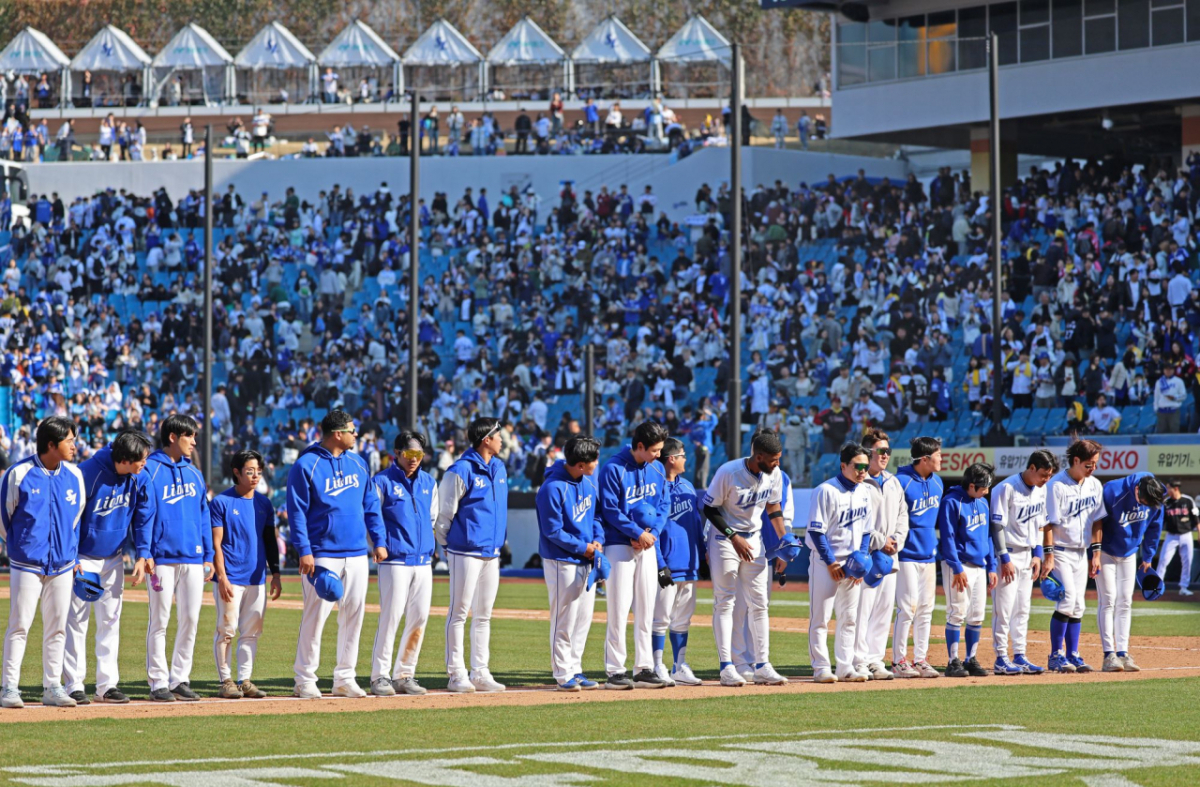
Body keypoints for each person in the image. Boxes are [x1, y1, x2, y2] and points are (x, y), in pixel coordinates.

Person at [288, 409, 387, 699]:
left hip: (356, 552)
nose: (356, 435)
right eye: (352, 430)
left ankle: (344, 677)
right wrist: (304, 550)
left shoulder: (358, 463)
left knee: (353, 616)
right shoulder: (306, 465)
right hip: (322, 553)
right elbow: (296, 512)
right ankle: (304, 678)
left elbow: (371, 504)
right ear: (337, 433)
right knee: (315, 616)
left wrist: (378, 540)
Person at [62, 429, 154, 705]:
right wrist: (72, 557)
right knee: (77, 621)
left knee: (110, 622)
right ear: (125, 459)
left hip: (114, 558)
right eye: (141, 459)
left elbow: (144, 515)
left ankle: (106, 685)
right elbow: (71, 519)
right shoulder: (87, 473)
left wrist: (143, 554)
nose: (145, 463)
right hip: (84, 557)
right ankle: (73, 685)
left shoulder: (139, 476)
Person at [0, 417, 85, 709]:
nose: (74, 446)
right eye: (69, 441)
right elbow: (4, 518)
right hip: (27, 563)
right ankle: (9, 687)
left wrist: (68, 552)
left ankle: (52, 687)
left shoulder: (75, 475)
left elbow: (76, 518)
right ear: (51, 444)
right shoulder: (19, 473)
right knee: (19, 625)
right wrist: (21, 546)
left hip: (62, 564)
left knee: (58, 628)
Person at [702, 429, 789, 687]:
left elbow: (773, 506)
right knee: (725, 602)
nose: (777, 464)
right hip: (724, 540)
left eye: (779, 459)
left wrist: (784, 537)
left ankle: (762, 665)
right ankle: (727, 667)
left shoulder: (774, 475)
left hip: (754, 539)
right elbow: (709, 508)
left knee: (760, 603)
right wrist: (733, 536)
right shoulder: (729, 472)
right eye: (773, 459)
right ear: (758, 456)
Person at [142, 415, 213, 702]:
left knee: (191, 620)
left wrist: (208, 555)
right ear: (173, 437)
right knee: (160, 620)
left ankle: (180, 679)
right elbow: (143, 516)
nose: (194, 441)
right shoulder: (150, 469)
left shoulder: (194, 473)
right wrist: (145, 552)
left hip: (193, 558)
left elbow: (204, 516)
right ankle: (158, 682)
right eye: (189, 435)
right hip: (161, 559)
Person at [435, 417, 509, 693]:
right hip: (465, 551)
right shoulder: (460, 470)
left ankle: (480, 672)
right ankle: (456, 674)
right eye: (498, 435)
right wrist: (449, 544)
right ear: (486, 440)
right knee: (459, 613)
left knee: (484, 615)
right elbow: (444, 515)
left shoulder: (499, 467)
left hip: (491, 552)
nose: (502, 440)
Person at [597, 420, 671, 690]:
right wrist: (635, 532)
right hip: (619, 545)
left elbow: (664, 504)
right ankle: (615, 670)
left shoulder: (657, 469)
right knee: (618, 608)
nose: (659, 455)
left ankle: (644, 667)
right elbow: (610, 509)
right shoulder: (613, 468)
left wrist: (651, 532)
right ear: (639, 446)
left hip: (647, 545)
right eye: (654, 450)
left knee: (646, 608)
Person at [369, 431, 439, 697]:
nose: (414, 459)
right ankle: (379, 676)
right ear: (396, 453)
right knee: (391, 616)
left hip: (422, 560)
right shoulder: (382, 481)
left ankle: (405, 674)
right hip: (394, 560)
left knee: (419, 617)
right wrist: (378, 544)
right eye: (409, 453)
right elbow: (372, 517)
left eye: (418, 454)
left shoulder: (429, 482)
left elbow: (432, 518)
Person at [210, 450, 280, 699]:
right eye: (250, 471)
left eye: (258, 471)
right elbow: (216, 543)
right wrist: (222, 577)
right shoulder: (221, 502)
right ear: (236, 472)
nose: (255, 476)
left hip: (257, 578)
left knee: (252, 631)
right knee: (226, 630)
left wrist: (276, 574)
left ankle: (245, 680)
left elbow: (270, 541)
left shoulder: (264, 503)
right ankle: (225, 680)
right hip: (230, 577)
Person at [535, 435, 603, 691]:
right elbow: (552, 531)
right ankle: (563, 673)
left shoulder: (589, 483)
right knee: (564, 618)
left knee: (583, 618)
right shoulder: (551, 488)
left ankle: (575, 668)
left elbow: (596, 517)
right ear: (581, 464)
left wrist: (598, 540)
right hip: (560, 560)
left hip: (587, 559)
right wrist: (584, 547)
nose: (597, 463)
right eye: (594, 460)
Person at [806, 442, 876, 683]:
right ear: (843, 465)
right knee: (821, 618)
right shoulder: (825, 491)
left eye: (865, 467)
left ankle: (845, 667)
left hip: (852, 563)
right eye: (857, 466)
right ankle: (821, 668)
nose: (862, 471)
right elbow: (816, 531)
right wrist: (830, 562)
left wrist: (861, 563)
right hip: (826, 562)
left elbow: (866, 531)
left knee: (849, 618)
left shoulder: (865, 491)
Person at [990, 449, 1057, 676]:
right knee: (1003, 609)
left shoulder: (1041, 490)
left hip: (1028, 556)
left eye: (1049, 475)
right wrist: (1004, 558)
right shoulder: (1006, 488)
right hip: (1008, 554)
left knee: (1022, 609)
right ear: (1031, 468)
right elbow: (997, 526)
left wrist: (1038, 554)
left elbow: (1039, 525)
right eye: (1044, 474)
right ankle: (1001, 657)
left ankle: (1020, 655)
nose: (1046, 479)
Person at [1043, 438, 1106, 673]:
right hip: (1060, 551)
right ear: (1076, 460)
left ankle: (1073, 654)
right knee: (1067, 600)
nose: (1093, 468)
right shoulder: (1056, 485)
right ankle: (1055, 655)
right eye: (1089, 464)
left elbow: (1097, 520)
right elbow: (1047, 524)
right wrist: (1048, 556)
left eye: (1096, 464)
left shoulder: (1094, 485)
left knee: (1079, 606)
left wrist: (1096, 554)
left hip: (1081, 552)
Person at [1091, 473, 1165, 672]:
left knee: (1125, 601)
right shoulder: (1113, 491)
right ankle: (1109, 655)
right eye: (1144, 501)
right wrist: (1094, 554)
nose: (1146, 505)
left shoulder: (1156, 494)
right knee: (1108, 600)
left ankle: (1123, 653)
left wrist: (1148, 556)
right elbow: (1096, 522)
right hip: (1106, 551)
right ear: (1137, 489)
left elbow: (1155, 526)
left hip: (1130, 553)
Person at [852, 430, 908, 680]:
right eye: (881, 451)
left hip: (890, 557)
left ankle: (875, 660)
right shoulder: (859, 482)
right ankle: (858, 661)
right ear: (867, 453)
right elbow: (856, 521)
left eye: (888, 451)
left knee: (884, 611)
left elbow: (903, 516)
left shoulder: (893, 482)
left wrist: (896, 541)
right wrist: (879, 540)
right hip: (866, 556)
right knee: (861, 611)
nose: (885, 455)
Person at [652, 438, 705, 686]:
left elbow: (696, 524)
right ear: (671, 458)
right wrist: (659, 563)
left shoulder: (688, 486)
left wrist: (702, 555)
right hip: (667, 565)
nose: (686, 459)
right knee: (660, 618)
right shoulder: (654, 487)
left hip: (689, 564)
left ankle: (679, 665)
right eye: (682, 455)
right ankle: (656, 665)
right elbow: (651, 529)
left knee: (683, 619)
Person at [891, 436, 944, 679]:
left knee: (925, 609)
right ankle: (899, 661)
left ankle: (920, 659)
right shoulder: (901, 482)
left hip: (928, 555)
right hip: (906, 555)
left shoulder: (938, 483)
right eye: (938, 455)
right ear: (925, 459)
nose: (941, 458)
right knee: (907, 608)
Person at [937, 462, 997, 678]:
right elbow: (948, 537)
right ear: (971, 485)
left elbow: (988, 536)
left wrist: (992, 565)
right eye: (984, 487)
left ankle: (970, 658)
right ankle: (952, 661)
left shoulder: (982, 503)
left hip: (979, 566)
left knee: (977, 615)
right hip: (959, 565)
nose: (986, 491)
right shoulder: (951, 502)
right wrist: (956, 567)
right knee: (957, 613)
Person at [1157, 479, 1198, 596]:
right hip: (1171, 536)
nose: (1167, 490)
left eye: (1168, 488)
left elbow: (1196, 519)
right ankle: (1157, 587)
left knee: (1187, 561)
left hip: (1186, 535)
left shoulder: (1187, 500)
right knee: (1163, 560)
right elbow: (1161, 521)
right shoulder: (1166, 503)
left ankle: (1184, 587)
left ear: (1175, 488)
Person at [1154, 365, 1186, 433]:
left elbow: (1183, 395)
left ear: (1173, 370)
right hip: (1162, 410)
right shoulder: (1159, 382)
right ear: (1163, 370)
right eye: (1166, 369)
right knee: (1161, 432)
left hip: (1173, 410)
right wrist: (1156, 408)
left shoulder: (1179, 381)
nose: (1168, 371)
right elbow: (1156, 397)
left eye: (1170, 369)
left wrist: (1174, 397)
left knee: (1174, 431)